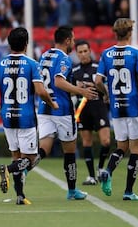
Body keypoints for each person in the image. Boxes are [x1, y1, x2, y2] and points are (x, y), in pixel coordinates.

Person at [0, 27, 58, 205]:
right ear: (26, 44)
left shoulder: (0, 64)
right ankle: (7, 170)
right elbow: (40, 90)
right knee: (29, 160)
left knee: (17, 157)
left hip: (7, 117)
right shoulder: (32, 64)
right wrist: (51, 102)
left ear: (9, 44)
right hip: (26, 118)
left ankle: (20, 196)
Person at [95, 18, 138, 201]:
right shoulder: (136, 53)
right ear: (130, 32)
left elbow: (97, 81)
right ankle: (128, 191)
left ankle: (108, 170)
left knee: (121, 147)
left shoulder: (106, 54)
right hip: (133, 105)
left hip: (117, 107)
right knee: (135, 150)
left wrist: (107, 94)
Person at [36, 25, 98, 200]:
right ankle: (72, 191)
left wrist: (77, 86)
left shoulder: (44, 55)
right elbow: (58, 82)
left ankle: (20, 169)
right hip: (62, 110)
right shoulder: (65, 58)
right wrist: (82, 92)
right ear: (67, 41)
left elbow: (51, 83)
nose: (74, 42)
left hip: (44, 108)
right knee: (69, 151)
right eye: (73, 39)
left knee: (43, 149)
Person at [72, 40, 111, 185]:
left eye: (85, 51)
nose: (83, 54)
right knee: (86, 142)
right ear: (77, 54)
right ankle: (91, 176)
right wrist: (77, 87)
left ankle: (101, 168)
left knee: (106, 141)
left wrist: (95, 86)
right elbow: (69, 90)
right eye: (80, 52)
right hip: (83, 108)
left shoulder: (98, 67)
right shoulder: (74, 71)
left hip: (98, 106)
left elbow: (106, 86)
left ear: (90, 51)